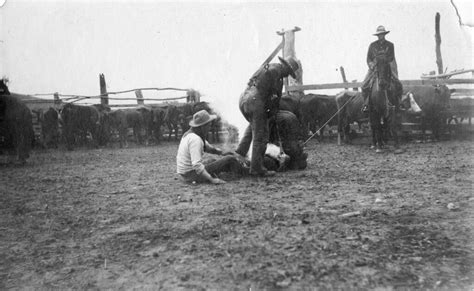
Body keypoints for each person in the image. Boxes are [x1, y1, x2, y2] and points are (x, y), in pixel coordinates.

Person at [235, 56, 299, 177]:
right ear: (286, 67)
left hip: (244, 98)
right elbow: (274, 97)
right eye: (289, 72)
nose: (287, 75)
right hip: (255, 101)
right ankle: (256, 168)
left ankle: (240, 152)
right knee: (261, 135)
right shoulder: (276, 72)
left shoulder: (269, 67)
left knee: (253, 126)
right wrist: (272, 113)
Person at [176, 110, 248, 184]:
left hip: (185, 174)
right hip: (191, 175)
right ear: (202, 126)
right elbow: (197, 165)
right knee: (230, 159)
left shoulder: (191, 134)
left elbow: (210, 149)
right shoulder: (195, 139)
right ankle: (247, 172)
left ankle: (236, 170)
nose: (209, 128)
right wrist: (212, 180)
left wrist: (226, 152)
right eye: (208, 125)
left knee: (213, 160)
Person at [361, 25, 399, 113]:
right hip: (374, 68)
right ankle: (366, 104)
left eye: (382, 34)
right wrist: (371, 65)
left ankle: (398, 104)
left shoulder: (390, 45)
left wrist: (385, 61)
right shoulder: (372, 45)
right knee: (364, 85)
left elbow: (391, 57)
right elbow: (368, 58)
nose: (380, 36)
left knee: (398, 83)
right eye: (379, 35)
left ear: (384, 34)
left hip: (386, 67)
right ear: (377, 36)